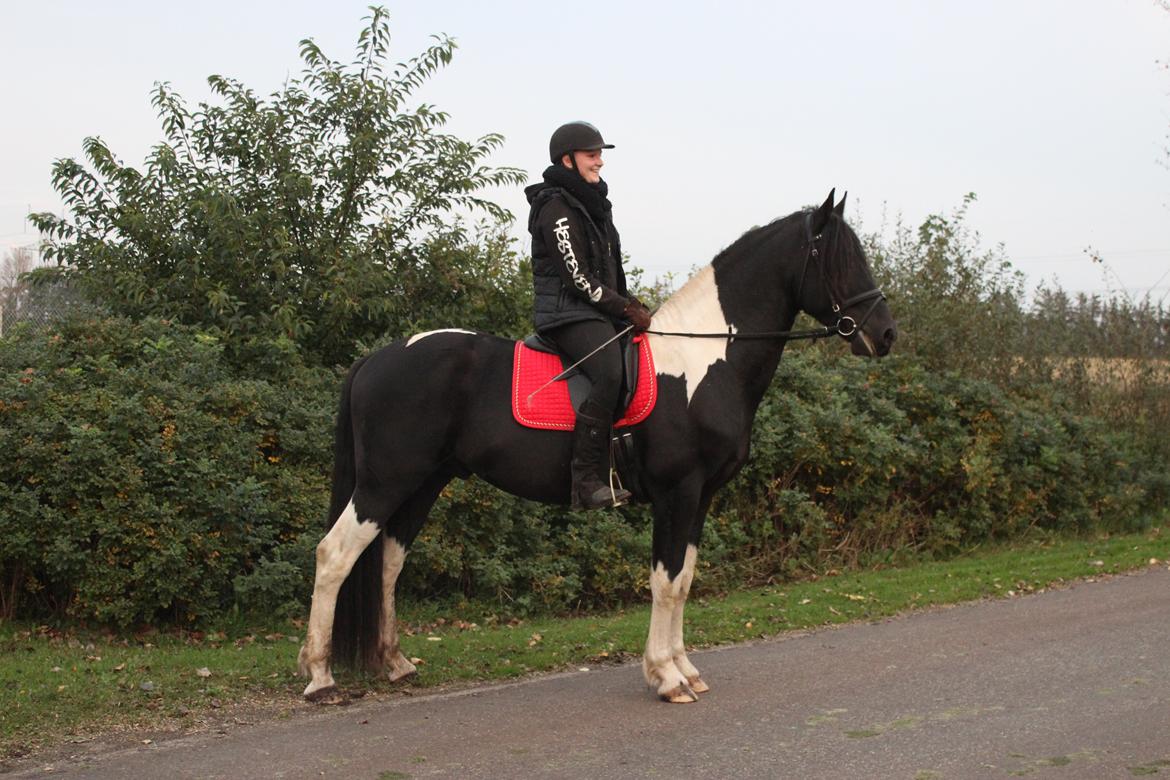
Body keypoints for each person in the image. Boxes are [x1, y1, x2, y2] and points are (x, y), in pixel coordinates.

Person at [524, 121, 652, 510]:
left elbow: (610, 269)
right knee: (610, 371)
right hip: (566, 314)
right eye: (591, 155)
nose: (599, 162)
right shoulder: (556, 207)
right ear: (568, 159)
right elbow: (578, 277)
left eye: (600, 155)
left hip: (595, 312)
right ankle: (585, 480)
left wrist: (631, 304)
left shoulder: (594, 204)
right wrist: (623, 307)